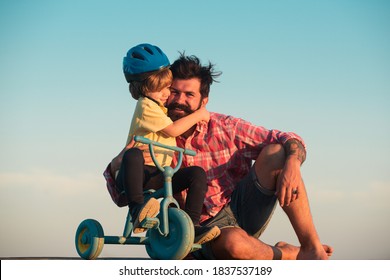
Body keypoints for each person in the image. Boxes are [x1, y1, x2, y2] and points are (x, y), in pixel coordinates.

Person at [162, 53, 334, 260]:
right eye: (174, 92)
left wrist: (293, 165)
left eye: (189, 95)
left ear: (204, 101)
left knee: (277, 152)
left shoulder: (225, 126)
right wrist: (121, 166)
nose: (180, 100)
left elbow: (287, 137)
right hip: (196, 230)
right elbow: (120, 191)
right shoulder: (155, 132)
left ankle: (311, 248)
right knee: (234, 244)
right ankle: (288, 253)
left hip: (240, 210)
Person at [104, 43, 220, 245]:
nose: (166, 93)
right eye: (159, 90)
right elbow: (174, 130)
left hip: (158, 175)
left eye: (167, 87)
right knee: (134, 155)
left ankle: (192, 226)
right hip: (135, 176)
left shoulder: (160, 107)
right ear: (143, 90)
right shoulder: (147, 106)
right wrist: (201, 114)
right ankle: (137, 211)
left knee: (196, 174)